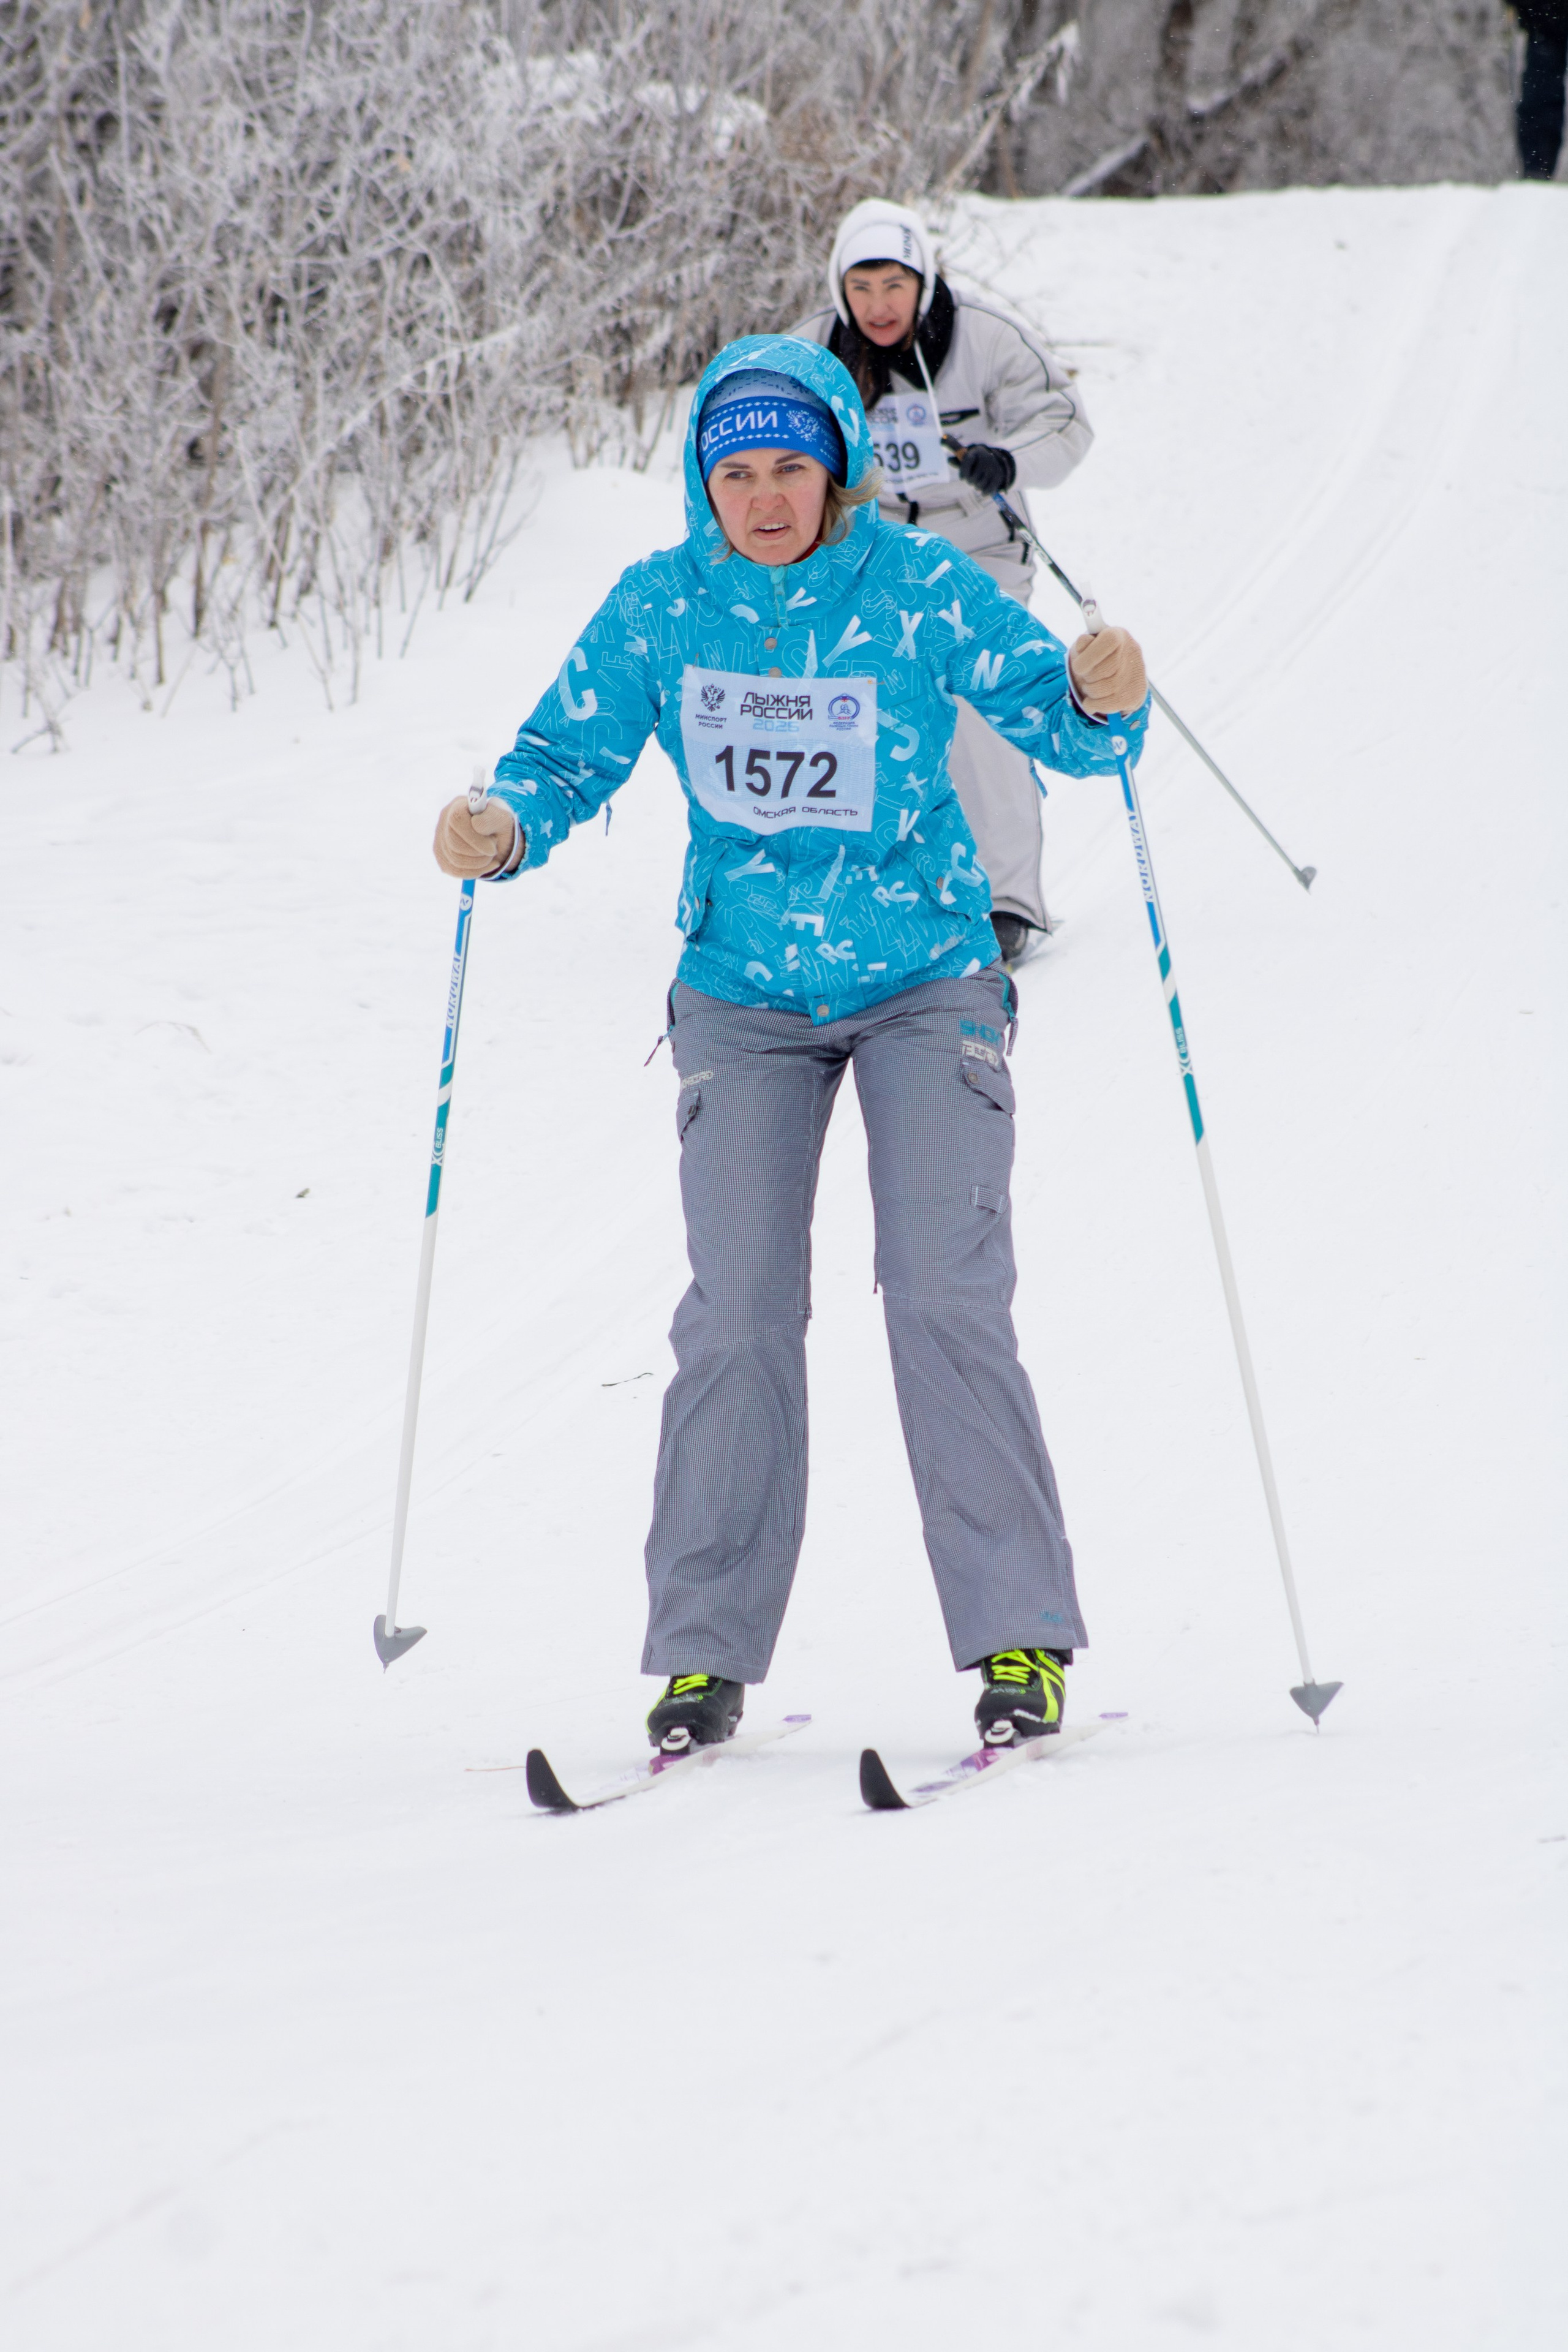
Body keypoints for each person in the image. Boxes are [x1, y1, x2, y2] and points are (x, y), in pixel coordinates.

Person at [431, 336, 1148, 1757]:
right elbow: (562, 754)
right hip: (743, 993)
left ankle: (1017, 1635)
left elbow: (1061, 732)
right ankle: (702, 1658)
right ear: (708, 479)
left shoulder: (913, 583)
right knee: (735, 1316)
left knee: (941, 1293)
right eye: (734, 470)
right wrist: (501, 823)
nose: (762, 496)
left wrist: (1099, 693)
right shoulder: (665, 604)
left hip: (922, 978)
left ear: (835, 469)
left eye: (788, 466)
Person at [793, 198, 1092, 967]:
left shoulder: (987, 340)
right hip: (874, 556)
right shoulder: (815, 355)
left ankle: (1005, 900)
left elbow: (1065, 425)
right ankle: (860, 890)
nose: (878, 306)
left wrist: (1008, 459)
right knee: (846, 708)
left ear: (923, 280)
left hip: (977, 551)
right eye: (861, 288)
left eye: (894, 285)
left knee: (979, 708)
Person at [1510, 0, 1568, 179]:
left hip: (1541, 16)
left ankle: (1538, 168)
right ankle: (1538, 168)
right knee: (1540, 95)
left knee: (1540, 94)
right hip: (1542, 17)